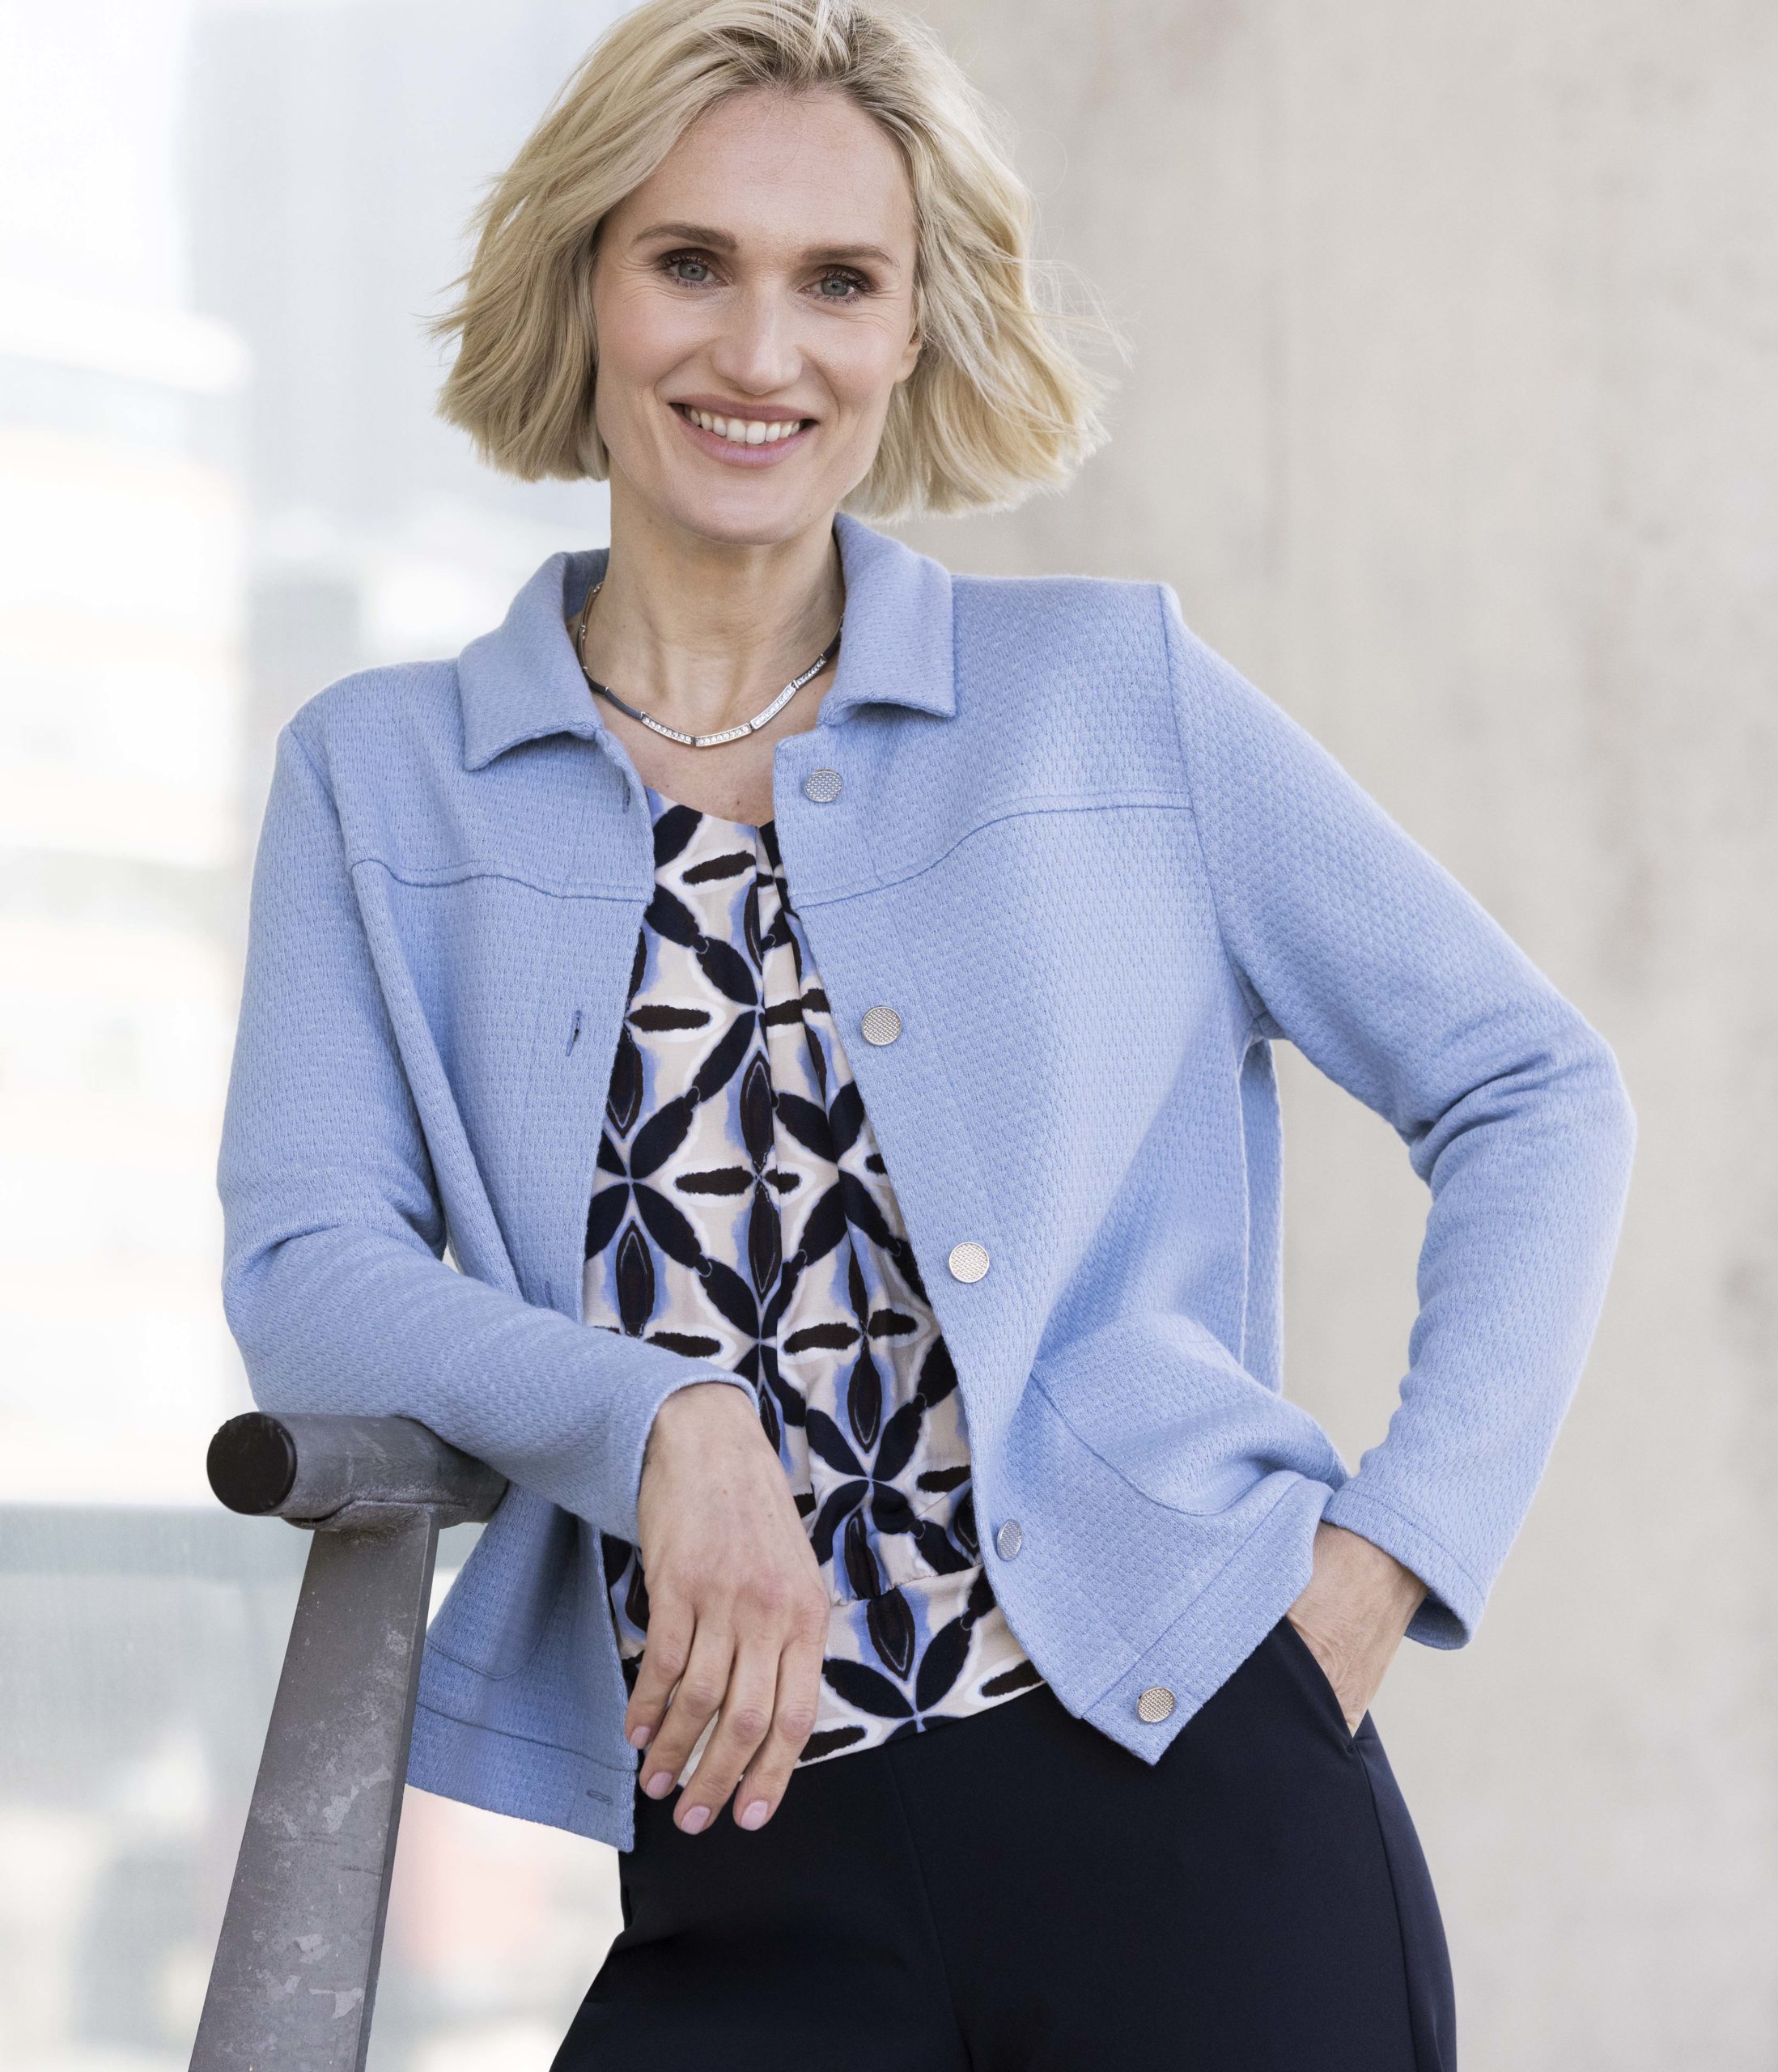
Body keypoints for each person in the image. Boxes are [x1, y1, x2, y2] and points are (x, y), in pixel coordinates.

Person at [214, 1, 1636, 2065]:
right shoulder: (382, 778)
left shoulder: (1106, 696)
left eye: (838, 282)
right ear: (583, 282)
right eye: (689, 260)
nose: (759, 351)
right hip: (739, 1860)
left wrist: (1381, 1563)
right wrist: (661, 1420)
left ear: (910, 331)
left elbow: (1532, 1084)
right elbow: (307, 1273)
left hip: (1192, 1795)